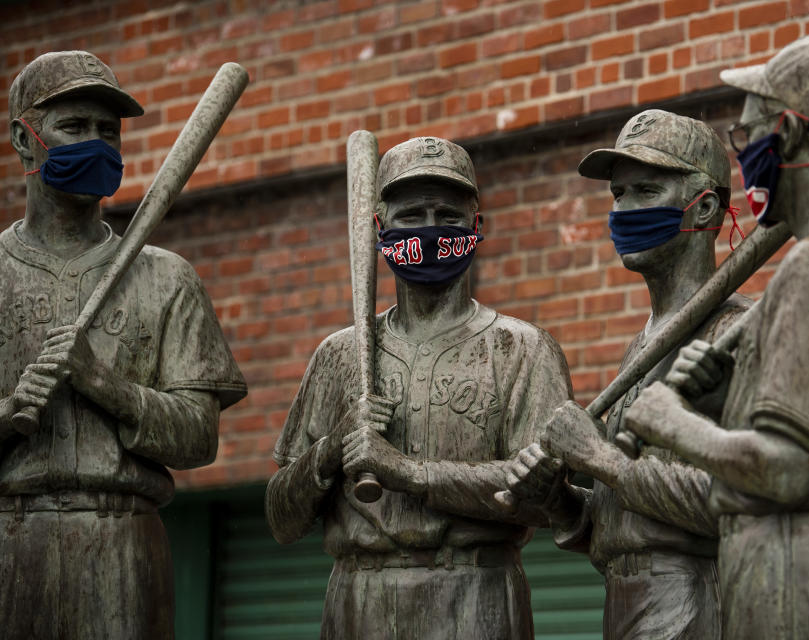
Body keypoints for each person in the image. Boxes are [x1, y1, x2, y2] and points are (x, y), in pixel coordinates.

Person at [622, 35, 809, 640]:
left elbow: (786, 472)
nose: (747, 147)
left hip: (796, 578)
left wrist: (669, 421)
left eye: (750, 131)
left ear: (788, 131)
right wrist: (728, 398)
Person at [265, 136, 573, 640]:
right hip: (358, 599)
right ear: (379, 229)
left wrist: (409, 472)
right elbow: (281, 518)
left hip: (477, 594)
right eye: (411, 215)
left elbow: (547, 499)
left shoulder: (524, 349)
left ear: (476, 225)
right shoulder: (339, 354)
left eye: (447, 214)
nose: (431, 228)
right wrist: (330, 450)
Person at [0, 51, 247, 639]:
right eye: (74, 126)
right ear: (24, 139)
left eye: (107, 131)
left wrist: (101, 384)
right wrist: (6, 419)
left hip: (123, 543)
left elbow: (198, 438)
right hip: (10, 541)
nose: (96, 143)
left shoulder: (167, 277)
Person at [506, 109, 749, 639]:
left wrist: (597, 457)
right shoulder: (644, 340)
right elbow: (621, 524)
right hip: (626, 599)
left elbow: (735, 505)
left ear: (704, 208)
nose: (623, 209)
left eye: (644, 191)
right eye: (618, 194)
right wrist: (556, 499)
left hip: (698, 598)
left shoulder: (739, 334)